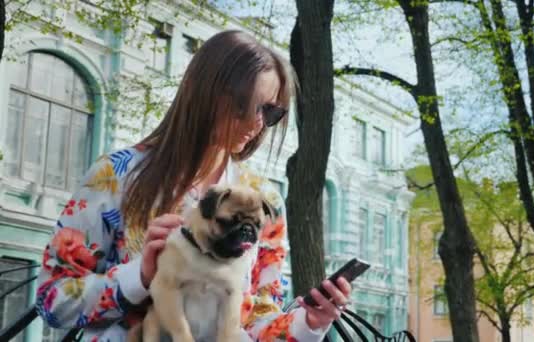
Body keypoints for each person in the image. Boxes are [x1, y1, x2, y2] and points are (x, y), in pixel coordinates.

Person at [35, 30, 352, 342]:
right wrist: (140, 276)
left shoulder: (264, 201)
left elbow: (257, 318)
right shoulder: (116, 176)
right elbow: (53, 301)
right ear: (205, 92)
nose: (257, 123)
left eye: (270, 111)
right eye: (246, 104)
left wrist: (309, 323)